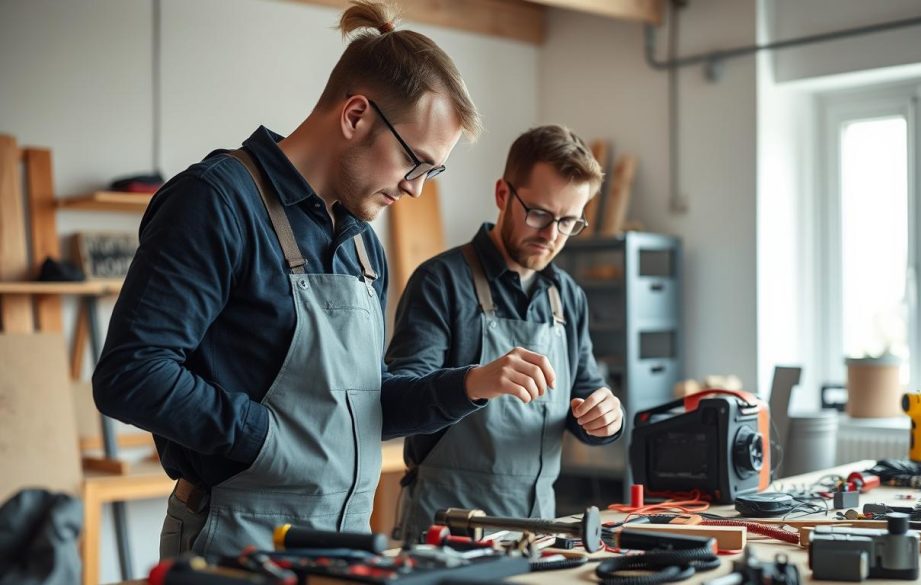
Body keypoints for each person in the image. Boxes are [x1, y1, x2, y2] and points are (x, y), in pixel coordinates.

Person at [92, 1, 557, 559]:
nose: (415, 189)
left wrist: (469, 385)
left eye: (432, 172)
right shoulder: (217, 201)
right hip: (236, 543)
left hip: (342, 544)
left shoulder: (361, 244)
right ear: (356, 115)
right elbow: (131, 373)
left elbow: (365, 405)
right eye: (414, 162)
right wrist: (265, 438)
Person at [387, 125, 624, 542]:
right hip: (446, 530)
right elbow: (396, 404)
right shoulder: (441, 282)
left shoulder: (567, 296)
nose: (551, 236)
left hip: (537, 531)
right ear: (502, 195)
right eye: (539, 214)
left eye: (568, 222)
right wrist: (474, 383)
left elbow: (584, 398)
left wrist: (606, 418)